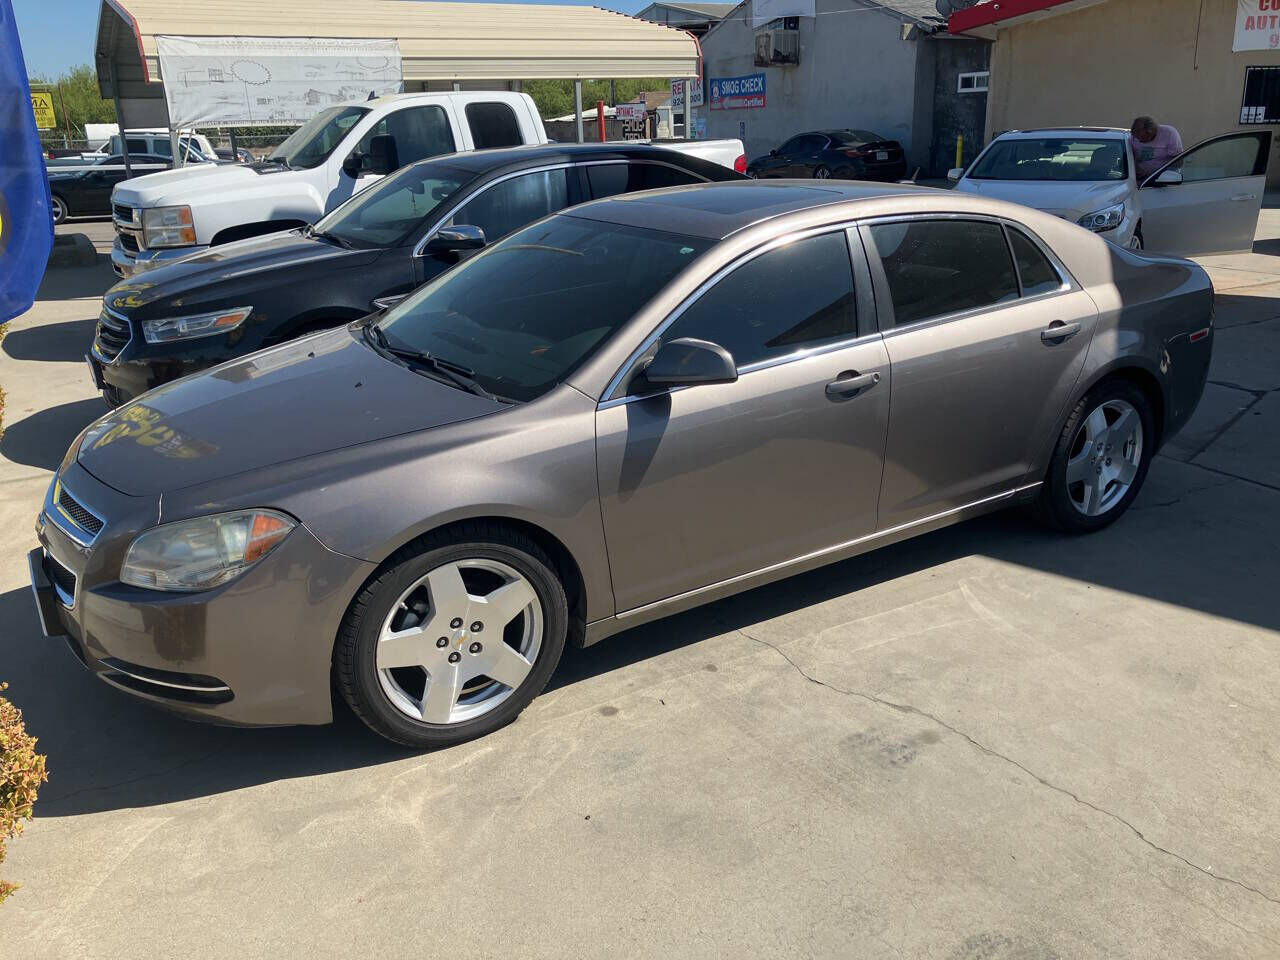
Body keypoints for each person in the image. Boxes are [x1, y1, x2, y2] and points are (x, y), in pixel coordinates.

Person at [1129, 116, 1183, 181]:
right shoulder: (1132, 137)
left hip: (1163, 179)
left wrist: (1165, 177)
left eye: (1142, 138)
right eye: (1136, 137)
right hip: (1139, 178)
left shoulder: (1169, 134)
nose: (1139, 140)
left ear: (1151, 133)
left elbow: (1178, 161)